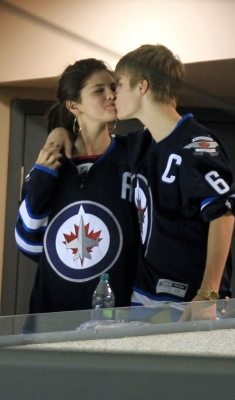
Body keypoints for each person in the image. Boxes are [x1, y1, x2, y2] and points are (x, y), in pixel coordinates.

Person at [114, 44, 235, 320]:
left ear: (142, 87)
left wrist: (207, 295)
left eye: (120, 84)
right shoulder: (141, 143)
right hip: (143, 296)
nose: (114, 93)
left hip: (189, 302)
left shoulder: (197, 144)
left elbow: (223, 212)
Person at [15, 58, 140, 314]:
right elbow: (29, 243)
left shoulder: (134, 154)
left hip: (120, 315)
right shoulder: (51, 164)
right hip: (52, 316)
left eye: (113, 87)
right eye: (99, 90)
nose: (111, 95)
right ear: (74, 105)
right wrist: (42, 177)